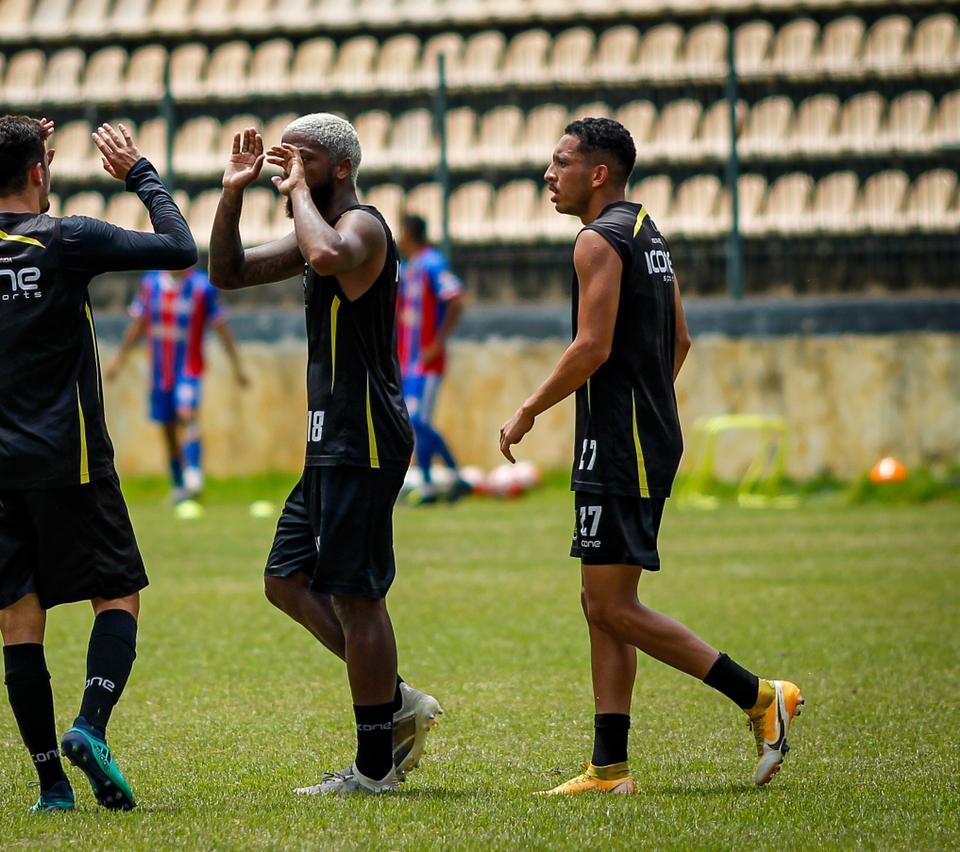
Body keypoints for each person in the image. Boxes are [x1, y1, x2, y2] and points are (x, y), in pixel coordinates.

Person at [497, 117, 803, 795]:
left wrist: (527, 410)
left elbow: (591, 347)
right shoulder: (646, 232)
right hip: (643, 434)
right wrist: (648, 405)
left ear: (597, 173)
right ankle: (609, 768)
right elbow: (682, 339)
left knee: (614, 605)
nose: (550, 174)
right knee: (600, 601)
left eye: (561, 163)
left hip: (621, 442)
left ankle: (759, 696)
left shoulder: (595, 240)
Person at [0, 115, 195, 813]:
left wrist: (22, 156)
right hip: (69, 459)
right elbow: (179, 247)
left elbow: (1, 207)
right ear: (41, 172)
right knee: (117, 594)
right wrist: (138, 172)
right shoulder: (68, 239)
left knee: (19, 622)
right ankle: (91, 726)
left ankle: (51, 784)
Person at [209, 114, 442, 796]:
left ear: (339, 168)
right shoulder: (316, 225)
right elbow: (227, 272)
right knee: (286, 578)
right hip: (329, 435)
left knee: (356, 596)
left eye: (302, 158)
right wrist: (232, 193)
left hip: (364, 431)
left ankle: (375, 769)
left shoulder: (363, 226)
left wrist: (296, 194)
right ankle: (396, 700)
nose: (288, 166)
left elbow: (326, 256)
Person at [106, 264, 249, 503]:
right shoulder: (150, 284)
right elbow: (138, 325)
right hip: (160, 372)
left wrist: (237, 366)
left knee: (187, 412)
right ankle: (179, 484)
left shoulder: (202, 288)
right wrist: (120, 361)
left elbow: (221, 328)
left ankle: (193, 473)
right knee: (168, 428)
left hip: (188, 368)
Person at [396, 214, 468, 504]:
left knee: (417, 420)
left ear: (409, 233)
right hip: (406, 362)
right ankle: (440, 481)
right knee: (413, 423)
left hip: (425, 361)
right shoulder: (407, 268)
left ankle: (446, 477)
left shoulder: (432, 263)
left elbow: (456, 297)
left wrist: (438, 341)